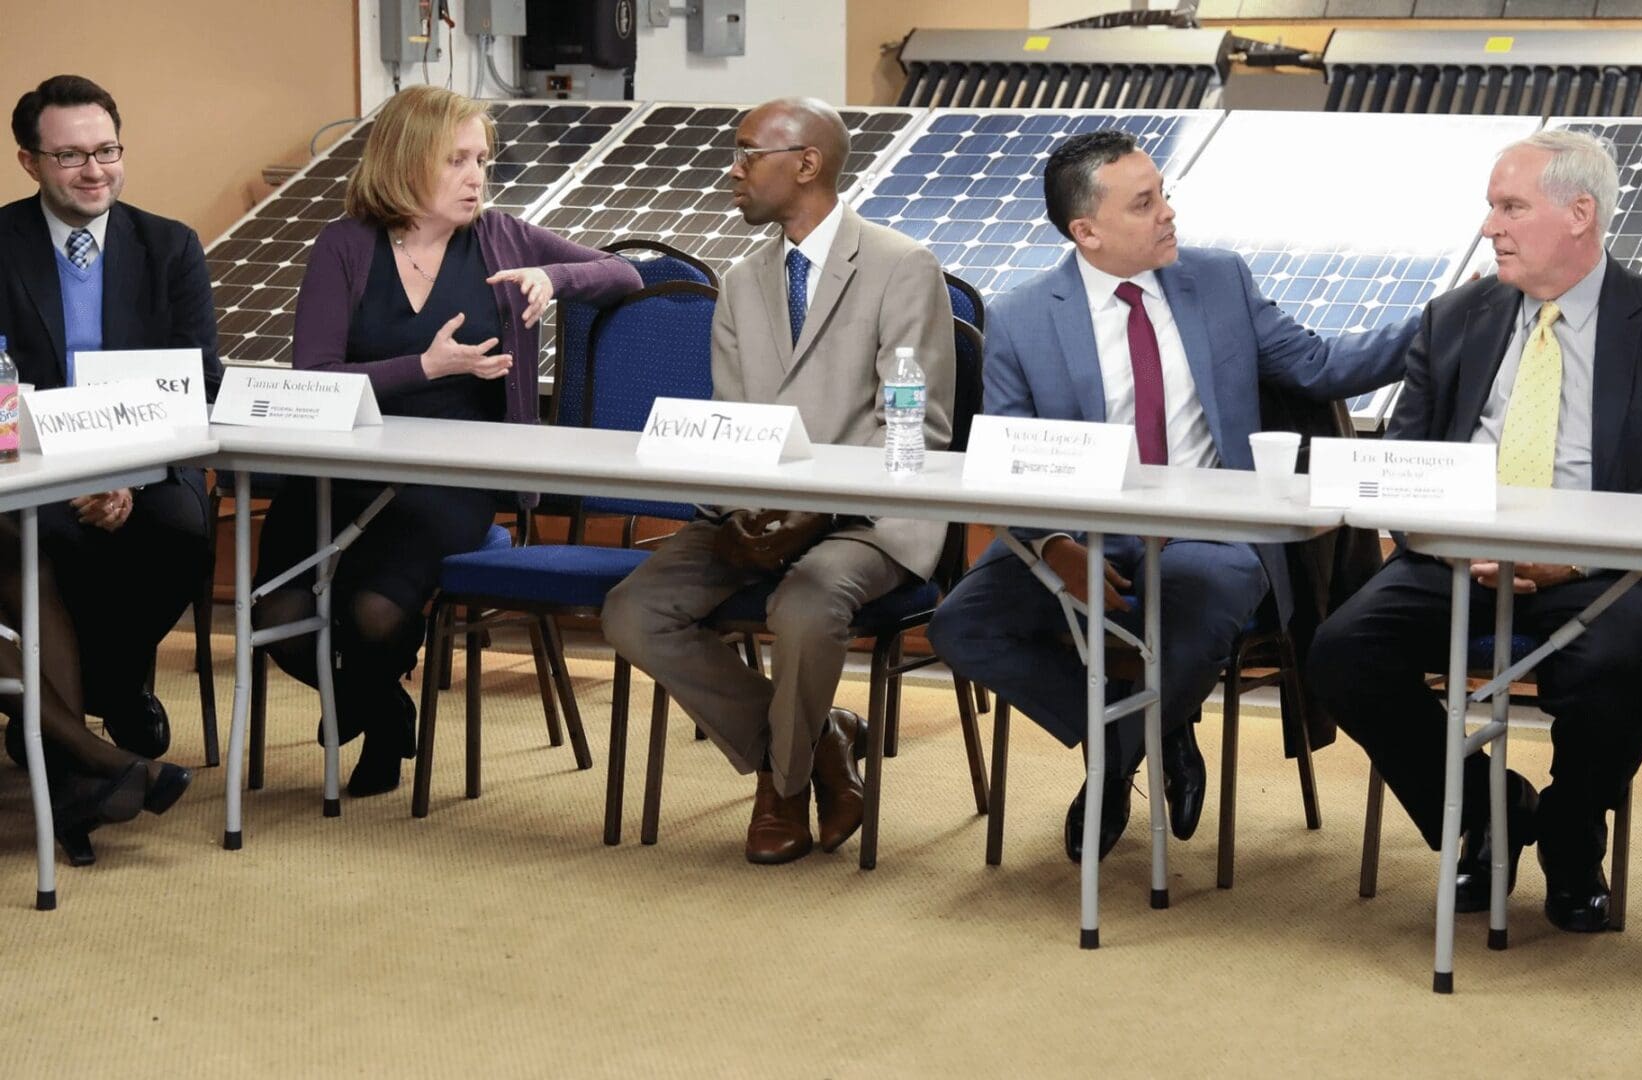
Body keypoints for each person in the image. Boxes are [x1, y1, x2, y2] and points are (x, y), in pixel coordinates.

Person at [926, 129, 1413, 864]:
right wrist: (1055, 549)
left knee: (1197, 603)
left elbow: (1319, 367)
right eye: (1145, 203)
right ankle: (1158, 729)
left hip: (1211, 530)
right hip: (1080, 531)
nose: (1168, 214)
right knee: (962, 625)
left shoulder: (1219, 280)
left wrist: (1443, 324)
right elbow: (1010, 459)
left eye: (1164, 195)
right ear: (1085, 231)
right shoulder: (1024, 316)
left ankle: (1114, 764)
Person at [1307, 129, 1642, 933]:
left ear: (1580, 214)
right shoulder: (1455, 317)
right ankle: (1488, 813)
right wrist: (1455, 540)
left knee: (1608, 663)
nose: (1489, 227)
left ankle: (1574, 836)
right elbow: (1401, 459)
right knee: (1342, 649)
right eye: (1490, 206)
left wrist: (1569, 561)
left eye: (1510, 207)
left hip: (1618, 574)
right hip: (1458, 561)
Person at [254, 86, 640, 797]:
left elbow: (624, 273)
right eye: (456, 160)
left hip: (454, 477)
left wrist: (552, 278)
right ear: (405, 163)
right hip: (342, 468)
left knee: (373, 610)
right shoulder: (345, 246)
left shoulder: (502, 238)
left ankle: (374, 722)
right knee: (276, 616)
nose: (476, 177)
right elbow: (315, 378)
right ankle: (384, 705)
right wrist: (426, 366)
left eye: (482, 161)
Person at [601, 98, 955, 866]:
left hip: (871, 520)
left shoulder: (902, 266)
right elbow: (735, 421)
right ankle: (818, 741)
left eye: (746, 153)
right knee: (635, 611)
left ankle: (784, 789)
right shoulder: (741, 279)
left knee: (805, 604)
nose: (732, 169)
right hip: (752, 510)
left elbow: (913, 428)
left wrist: (817, 516)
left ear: (806, 163)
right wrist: (740, 513)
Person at [0, 74, 221, 763]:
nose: (94, 170)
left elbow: (197, 378)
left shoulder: (170, 246)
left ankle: (106, 683)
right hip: (31, 467)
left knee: (185, 531)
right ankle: (107, 696)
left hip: (143, 463)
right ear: (30, 162)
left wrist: (125, 475)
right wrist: (64, 470)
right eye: (70, 155)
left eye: (107, 150)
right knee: (46, 541)